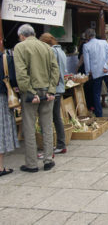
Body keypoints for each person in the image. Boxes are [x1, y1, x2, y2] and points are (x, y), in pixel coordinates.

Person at [14, 24, 59, 172]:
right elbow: (55, 69)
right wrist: (52, 90)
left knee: (29, 127)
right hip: (47, 91)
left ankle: (32, 163)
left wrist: (30, 92)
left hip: (30, 92)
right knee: (46, 126)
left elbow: (21, 73)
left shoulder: (20, 47)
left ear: (22, 36)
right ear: (33, 33)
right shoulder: (46, 47)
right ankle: (48, 159)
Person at [39, 33, 67, 154]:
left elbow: (53, 70)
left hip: (53, 89)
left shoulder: (51, 52)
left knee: (48, 118)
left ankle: (49, 148)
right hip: (59, 87)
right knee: (56, 117)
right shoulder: (61, 51)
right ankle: (61, 144)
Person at [82, 28, 108, 117]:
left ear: (87, 36)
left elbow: (86, 61)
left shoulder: (86, 46)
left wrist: (88, 72)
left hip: (96, 71)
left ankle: (99, 113)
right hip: (106, 69)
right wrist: (106, 66)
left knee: (96, 94)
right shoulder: (104, 42)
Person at [0, 49, 19, 176]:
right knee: (2, 131)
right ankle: (0, 167)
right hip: (2, 98)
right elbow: (12, 78)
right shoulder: (4, 58)